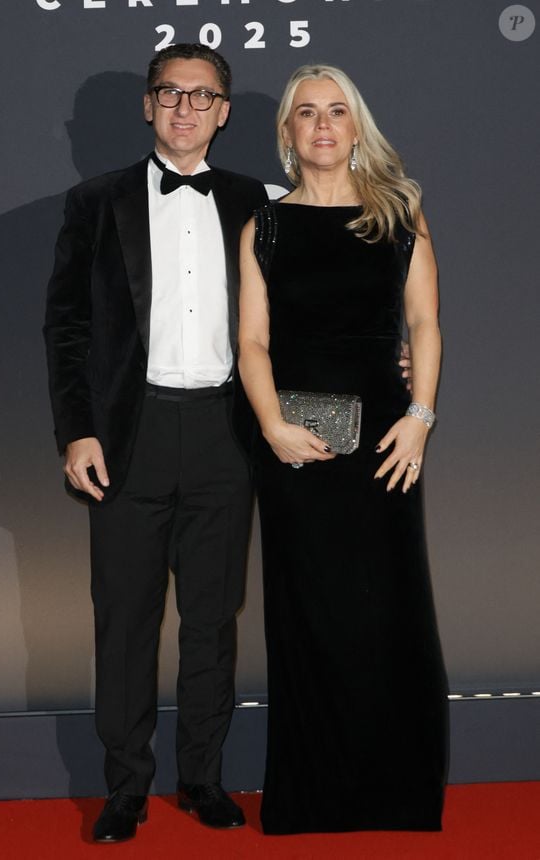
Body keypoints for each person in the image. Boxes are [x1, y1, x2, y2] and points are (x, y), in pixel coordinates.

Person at [44, 43, 267, 843]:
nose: (184, 109)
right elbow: (65, 331)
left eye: (201, 96)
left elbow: (308, 315)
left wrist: (399, 352)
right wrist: (76, 432)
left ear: (224, 111)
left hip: (225, 435)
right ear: (147, 105)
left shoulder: (258, 201)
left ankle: (204, 778)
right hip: (128, 437)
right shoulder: (93, 202)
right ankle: (126, 788)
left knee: (213, 620)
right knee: (127, 618)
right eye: (169, 94)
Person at [238, 64, 448, 835]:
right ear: (288, 132)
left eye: (336, 111)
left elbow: (424, 324)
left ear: (356, 124)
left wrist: (421, 415)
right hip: (293, 442)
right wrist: (270, 427)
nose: (322, 125)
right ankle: (313, 796)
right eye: (306, 114)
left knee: (388, 607)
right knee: (307, 613)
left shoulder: (401, 212)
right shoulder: (268, 226)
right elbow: (251, 340)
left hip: (387, 439)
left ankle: (397, 793)